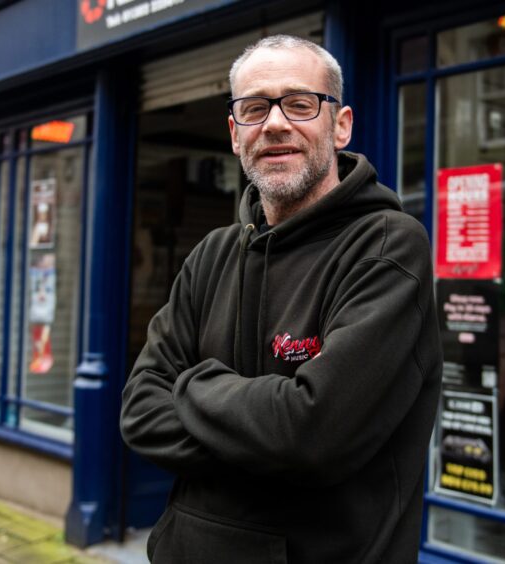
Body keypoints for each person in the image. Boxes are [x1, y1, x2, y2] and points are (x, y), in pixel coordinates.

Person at [120, 35, 442, 564]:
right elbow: (139, 412)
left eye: (298, 103)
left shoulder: (388, 246)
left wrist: (192, 384)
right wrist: (268, 428)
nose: (274, 124)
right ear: (234, 132)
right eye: (253, 108)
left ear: (340, 125)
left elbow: (313, 434)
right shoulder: (211, 254)